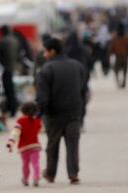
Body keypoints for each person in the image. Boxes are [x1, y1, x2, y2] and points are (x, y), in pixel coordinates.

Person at [36, 38, 86, 185]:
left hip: (54, 114)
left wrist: (39, 113)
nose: (44, 55)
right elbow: (82, 87)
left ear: (53, 51)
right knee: (73, 144)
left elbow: (42, 97)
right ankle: (73, 173)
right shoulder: (77, 66)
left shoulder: (47, 69)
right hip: (74, 113)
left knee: (52, 145)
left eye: (46, 51)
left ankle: (50, 173)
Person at [6, 102, 42, 187]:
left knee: (25, 164)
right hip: (35, 146)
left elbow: (15, 133)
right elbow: (40, 129)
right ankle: (36, 177)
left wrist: (10, 143)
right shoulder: (38, 121)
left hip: (24, 148)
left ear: (22, 111)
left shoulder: (20, 121)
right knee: (35, 163)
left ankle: (25, 179)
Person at [0, 25, 19, 118]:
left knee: (8, 90)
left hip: (5, 68)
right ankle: (12, 108)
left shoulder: (3, 41)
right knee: (11, 89)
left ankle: (12, 109)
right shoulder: (15, 39)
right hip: (12, 66)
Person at [109, 23, 128, 88]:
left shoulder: (115, 38)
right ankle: (124, 81)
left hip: (118, 57)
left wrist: (109, 55)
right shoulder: (127, 38)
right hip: (125, 56)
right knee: (125, 70)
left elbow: (111, 48)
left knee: (116, 70)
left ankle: (118, 81)